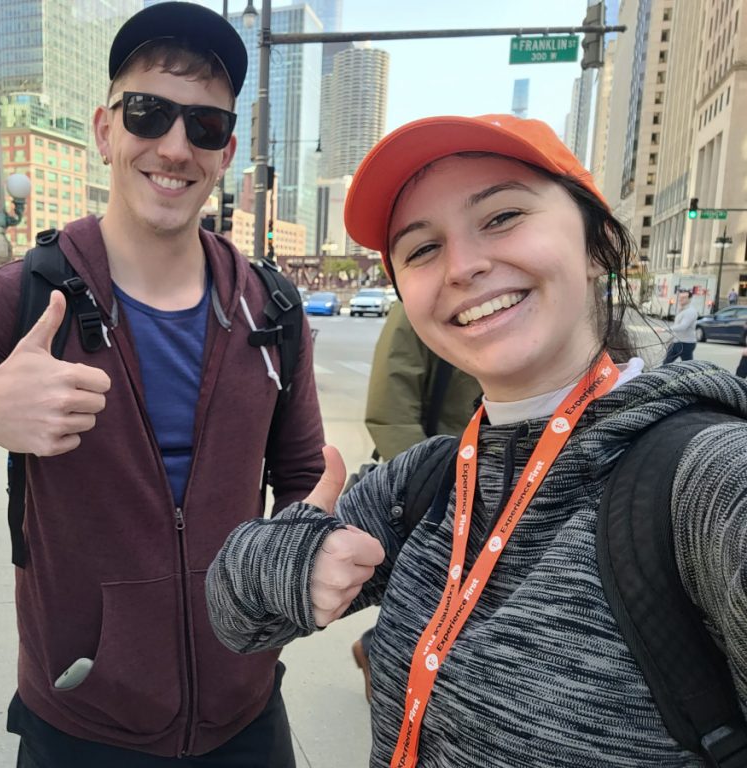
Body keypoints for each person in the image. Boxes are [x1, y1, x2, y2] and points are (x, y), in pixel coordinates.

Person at [0, 4, 325, 766]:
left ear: (226, 152)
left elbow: (299, 479)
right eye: (148, 114)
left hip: (246, 714)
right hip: (80, 722)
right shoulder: (21, 297)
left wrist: (300, 563)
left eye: (204, 126)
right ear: (104, 131)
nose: (174, 145)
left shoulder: (273, 307)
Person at [206, 114, 747, 768]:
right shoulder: (428, 481)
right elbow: (234, 619)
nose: (463, 265)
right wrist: (289, 560)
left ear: (599, 243)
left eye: (502, 217)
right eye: (423, 248)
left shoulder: (704, 485)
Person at [350, 306, 482, 700]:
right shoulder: (417, 310)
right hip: (449, 486)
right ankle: (379, 649)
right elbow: (391, 411)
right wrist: (433, 491)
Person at [662, 290, 699, 363]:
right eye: (680, 297)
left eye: (684, 297)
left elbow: (683, 326)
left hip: (686, 344)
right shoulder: (682, 310)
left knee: (688, 366)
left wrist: (665, 329)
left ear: (689, 299)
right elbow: (678, 325)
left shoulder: (690, 311)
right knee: (666, 364)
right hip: (677, 342)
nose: (681, 299)